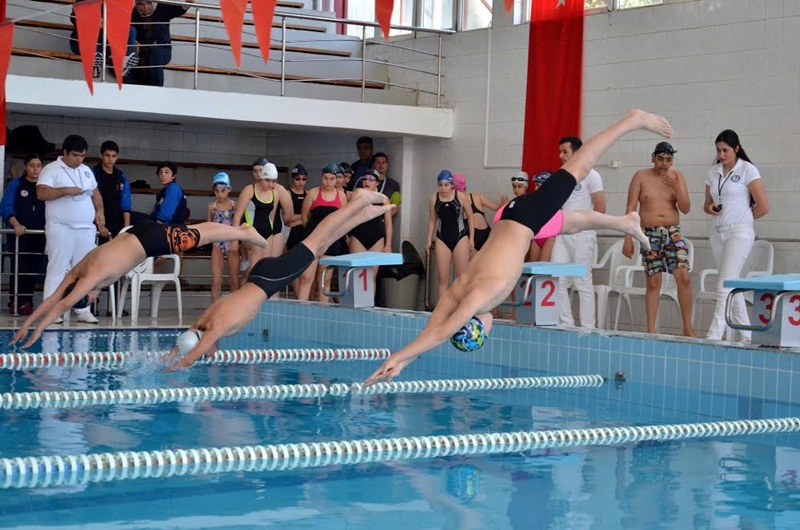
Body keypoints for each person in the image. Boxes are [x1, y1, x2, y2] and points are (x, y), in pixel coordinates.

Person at [364, 109, 672, 386]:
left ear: (479, 328)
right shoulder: (459, 291)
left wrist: (397, 356)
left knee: (580, 165)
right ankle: (626, 223)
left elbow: (441, 332)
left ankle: (632, 120)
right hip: (511, 216)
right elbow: (431, 330)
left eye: (483, 334)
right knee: (570, 222)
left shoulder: (476, 298)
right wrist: (403, 361)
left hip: (526, 218)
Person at [164, 189, 395, 370]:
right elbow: (193, 340)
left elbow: (195, 353)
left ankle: (359, 202)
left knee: (317, 238)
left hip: (271, 280)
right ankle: (363, 214)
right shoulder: (205, 320)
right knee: (320, 244)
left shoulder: (216, 327)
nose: (208, 352)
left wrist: (176, 367)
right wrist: (171, 355)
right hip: (260, 274)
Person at [11, 221, 270, 348]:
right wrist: (26, 325)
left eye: (89, 301)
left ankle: (244, 233)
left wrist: (36, 334)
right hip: (138, 234)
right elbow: (53, 298)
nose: (92, 300)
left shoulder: (88, 281)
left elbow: (62, 304)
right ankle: (241, 230)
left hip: (148, 243)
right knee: (197, 230)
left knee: (199, 235)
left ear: (86, 295)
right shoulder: (77, 271)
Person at [622, 141, 694, 337]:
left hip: (673, 231)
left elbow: (686, 208)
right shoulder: (641, 176)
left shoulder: (678, 177)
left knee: (684, 277)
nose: (664, 164)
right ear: (653, 158)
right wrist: (628, 238)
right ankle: (651, 331)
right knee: (653, 282)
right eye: (660, 159)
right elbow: (630, 209)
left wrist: (676, 187)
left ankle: (687, 328)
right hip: (649, 232)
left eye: (668, 160)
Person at [704, 129, 769, 341]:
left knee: (724, 283)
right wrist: (711, 208)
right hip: (717, 233)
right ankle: (747, 335)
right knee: (732, 281)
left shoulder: (747, 169)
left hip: (739, 233)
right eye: (718, 150)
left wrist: (743, 219)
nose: (721, 155)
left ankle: (713, 336)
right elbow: (706, 204)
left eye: (725, 150)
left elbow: (763, 206)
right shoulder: (713, 172)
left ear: (736, 149)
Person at [37, 134, 107, 324]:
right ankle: (51, 310)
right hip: (61, 227)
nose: (79, 159)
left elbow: (95, 192)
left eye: (82, 156)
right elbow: (41, 192)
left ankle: (83, 309)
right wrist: (66, 190)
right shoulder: (51, 170)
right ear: (65, 152)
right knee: (57, 269)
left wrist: (99, 212)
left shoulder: (85, 171)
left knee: (85, 271)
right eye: (75, 155)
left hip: (85, 229)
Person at [552, 136, 606, 330]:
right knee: (557, 279)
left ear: (577, 152)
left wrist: (583, 224)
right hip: (563, 234)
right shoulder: (561, 175)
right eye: (560, 152)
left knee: (582, 281)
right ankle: (566, 323)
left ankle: (588, 327)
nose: (560, 156)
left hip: (583, 235)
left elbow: (600, 207)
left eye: (565, 152)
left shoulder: (592, 175)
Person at [0, 154, 46, 316]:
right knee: (19, 268)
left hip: (39, 235)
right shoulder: (17, 184)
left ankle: (27, 302)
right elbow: (6, 207)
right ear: (25, 167)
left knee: (33, 270)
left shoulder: (44, 186)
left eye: (38, 165)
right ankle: (15, 302)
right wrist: (16, 224)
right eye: (32, 165)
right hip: (20, 236)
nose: (35, 169)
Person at [297, 163, 348, 302]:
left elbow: (343, 219)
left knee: (325, 281)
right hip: (312, 239)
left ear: (337, 179)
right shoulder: (313, 193)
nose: (328, 182)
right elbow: (304, 218)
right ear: (321, 177)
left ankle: (322, 313)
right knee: (306, 277)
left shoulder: (341, 196)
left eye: (332, 179)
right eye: (325, 178)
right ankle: (300, 309)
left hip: (331, 241)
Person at [233, 162, 292, 281]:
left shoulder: (275, 194)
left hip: (267, 233)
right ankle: (243, 292)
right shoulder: (249, 190)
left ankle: (259, 298)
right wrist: (234, 240)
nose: (270, 184)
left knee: (265, 268)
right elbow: (237, 215)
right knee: (253, 268)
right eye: (267, 180)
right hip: (250, 232)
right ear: (261, 178)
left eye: (273, 181)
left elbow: (272, 216)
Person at [427, 170, 474, 304]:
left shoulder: (461, 197)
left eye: (446, 185)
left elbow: (470, 217)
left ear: (452, 185)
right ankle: (442, 310)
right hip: (442, 238)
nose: (443, 188)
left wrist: (471, 239)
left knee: (462, 278)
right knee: (443, 279)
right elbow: (432, 221)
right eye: (440, 185)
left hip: (460, 237)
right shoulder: (433, 199)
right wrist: (428, 240)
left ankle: (461, 307)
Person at [129, 0, 193, 87]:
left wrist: (188, 2)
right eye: (141, 4)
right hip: (141, 52)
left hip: (162, 50)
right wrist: (133, 41)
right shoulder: (133, 14)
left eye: (148, 3)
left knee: (155, 54)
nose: (145, 7)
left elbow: (179, 9)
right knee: (130, 61)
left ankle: (157, 88)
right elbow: (127, 31)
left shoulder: (162, 8)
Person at [348, 169, 393, 292]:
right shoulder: (357, 196)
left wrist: (388, 244)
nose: (367, 182)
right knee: (357, 273)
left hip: (377, 239)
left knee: (372, 275)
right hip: (358, 237)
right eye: (365, 179)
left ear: (377, 183)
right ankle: (356, 305)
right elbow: (348, 216)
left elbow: (388, 223)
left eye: (371, 179)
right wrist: (347, 235)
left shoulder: (384, 199)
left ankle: (369, 307)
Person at [69, 2, 138, 79]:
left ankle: (123, 62)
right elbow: (74, 17)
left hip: (105, 46)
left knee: (131, 30)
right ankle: (94, 61)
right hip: (84, 44)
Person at [207, 172, 240, 303]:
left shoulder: (235, 205)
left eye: (223, 191)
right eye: (217, 191)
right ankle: (215, 308)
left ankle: (234, 309)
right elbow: (208, 227)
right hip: (217, 244)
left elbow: (239, 225)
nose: (220, 194)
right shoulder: (211, 207)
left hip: (232, 243)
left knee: (234, 278)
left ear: (229, 189)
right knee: (216, 279)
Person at [452, 172, 504, 253]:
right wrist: (506, 204)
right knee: (487, 265)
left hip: (472, 238)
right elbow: (498, 208)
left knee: (472, 265)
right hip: (487, 235)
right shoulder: (477, 196)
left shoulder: (457, 203)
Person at [92, 140, 132, 240]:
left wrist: (126, 228)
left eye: (113, 156)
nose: (110, 159)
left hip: (116, 223)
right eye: (107, 155)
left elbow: (126, 204)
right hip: (95, 223)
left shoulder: (121, 177)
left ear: (117, 157)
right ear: (101, 156)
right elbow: (89, 201)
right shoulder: (93, 175)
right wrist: (100, 225)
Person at [285, 164, 309, 297]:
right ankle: (300, 297)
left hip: (304, 233)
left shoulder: (309, 194)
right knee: (294, 268)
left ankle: (302, 298)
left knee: (304, 270)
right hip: (291, 235)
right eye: (298, 179)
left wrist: (299, 219)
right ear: (292, 179)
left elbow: (308, 218)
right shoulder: (288, 194)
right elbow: (288, 220)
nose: (301, 182)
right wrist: (304, 217)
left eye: (304, 179)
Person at [372, 152, 401, 218]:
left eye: (383, 162)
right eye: (378, 162)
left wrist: (382, 219)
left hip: (383, 223)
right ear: (373, 165)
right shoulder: (365, 181)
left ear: (387, 165)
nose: (381, 165)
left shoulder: (394, 185)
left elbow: (395, 208)